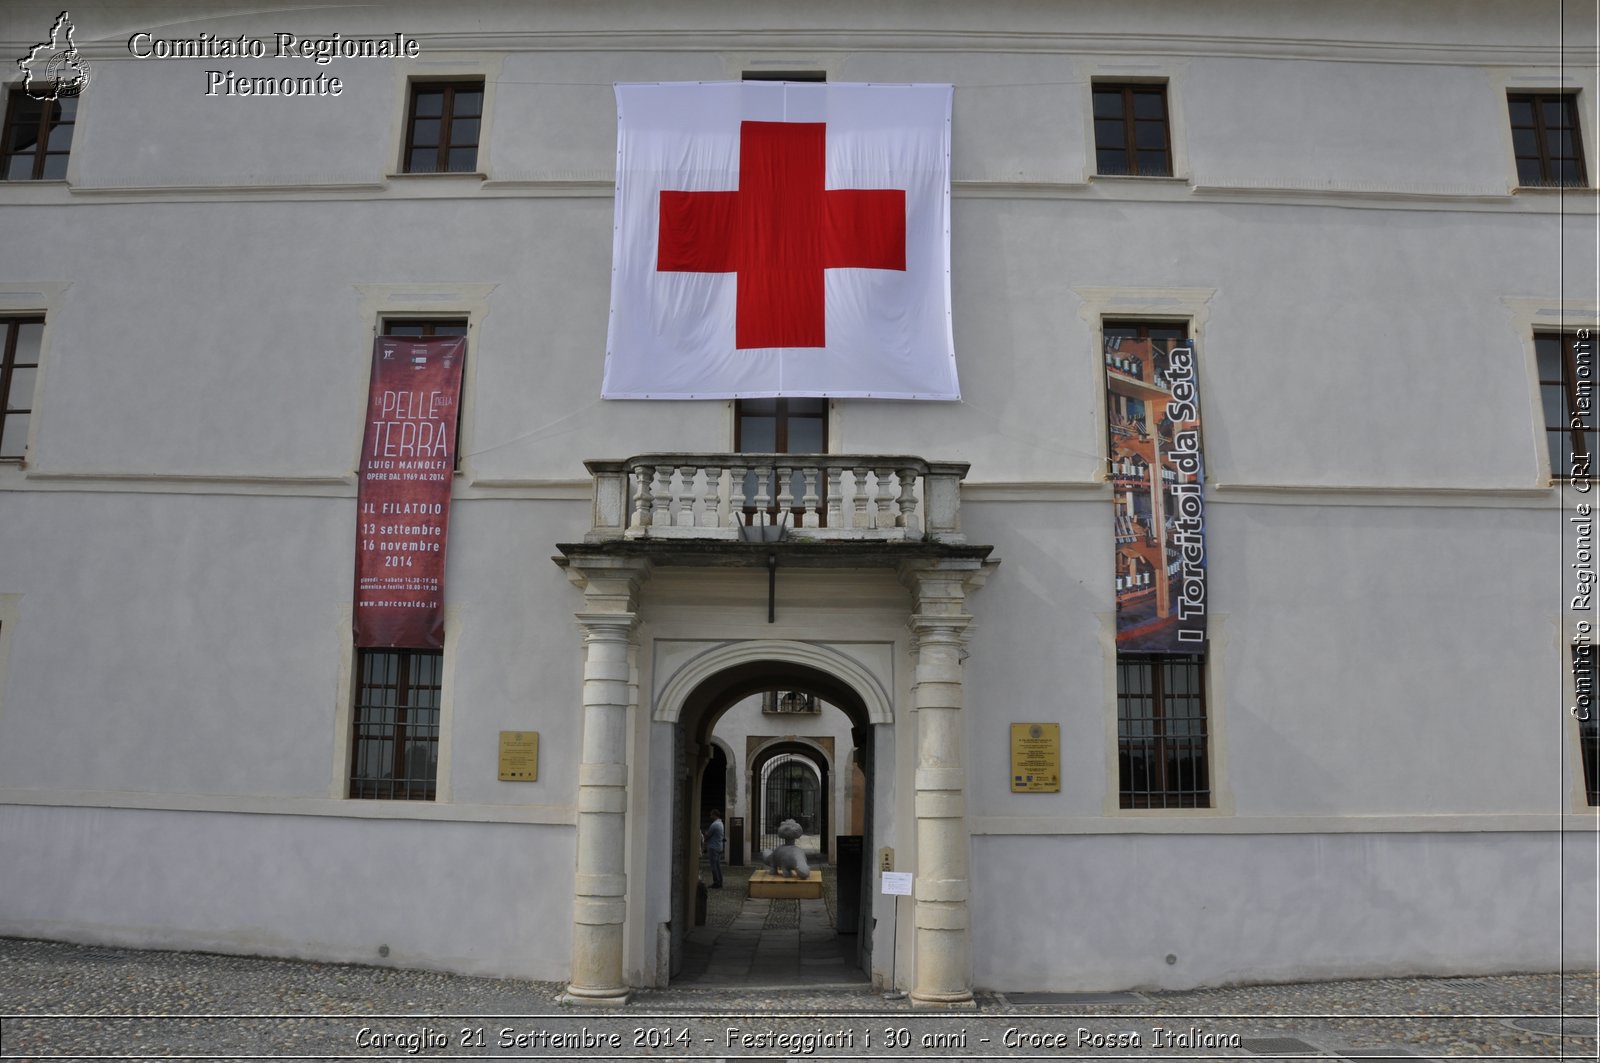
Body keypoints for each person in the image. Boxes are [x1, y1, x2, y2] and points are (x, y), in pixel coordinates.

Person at [703, 809, 725, 888]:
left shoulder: (714, 825)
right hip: (719, 846)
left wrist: (705, 834)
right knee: (717, 865)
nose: (710, 816)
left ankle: (716, 882)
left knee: (713, 866)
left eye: (711, 815)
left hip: (713, 847)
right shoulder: (721, 823)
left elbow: (708, 835)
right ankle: (720, 881)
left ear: (714, 815)